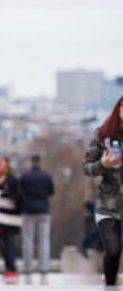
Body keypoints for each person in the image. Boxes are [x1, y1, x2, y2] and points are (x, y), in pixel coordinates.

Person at [83, 95, 123, 286]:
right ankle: (109, 284)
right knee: (113, 249)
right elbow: (87, 167)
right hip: (108, 204)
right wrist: (104, 164)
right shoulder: (104, 134)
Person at [19, 154, 54, 276]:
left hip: (28, 210)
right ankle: (43, 267)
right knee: (44, 240)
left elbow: (20, 192)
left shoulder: (25, 176)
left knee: (27, 240)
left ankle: (27, 268)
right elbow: (51, 192)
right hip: (44, 210)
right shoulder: (46, 176)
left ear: (31, 162)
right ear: (40, 162)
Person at [0, 158, 21, 280]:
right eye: (0, 165)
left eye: (4, 165)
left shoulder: (12, 179)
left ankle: (11, 268)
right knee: (1, 242)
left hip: (9, 217)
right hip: (0, 217)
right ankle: (9, 267)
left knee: (8, 243)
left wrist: (3, 194)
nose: (2, 167)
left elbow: (18, 196)